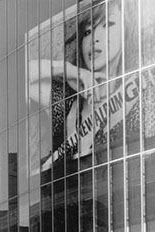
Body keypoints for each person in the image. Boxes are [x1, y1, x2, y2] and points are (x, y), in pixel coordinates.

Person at [28, 0, 127, 173]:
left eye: (108, 24)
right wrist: (74, 72)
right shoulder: (67, 100)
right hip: (69, 196)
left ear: (126, 31)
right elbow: (22, 75)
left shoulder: (140, 95)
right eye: (87, 31)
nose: (94, 38)